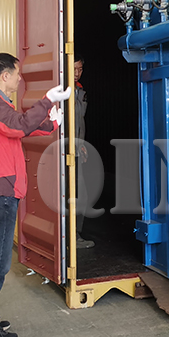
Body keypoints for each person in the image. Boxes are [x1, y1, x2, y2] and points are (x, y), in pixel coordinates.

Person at [0, 53, 71, 337]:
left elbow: (18, 126)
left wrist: (50, 124)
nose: (20, 78)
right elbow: (18, 126)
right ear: (5, 76)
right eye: (17, 74)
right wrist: (48, 100)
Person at [73, 54, 94, 249]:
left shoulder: (80, 92)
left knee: (81, 195)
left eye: (79, 69)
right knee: (68, 195)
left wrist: (81, 145)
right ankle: (67, 237)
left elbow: (80, 123)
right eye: (73, 69)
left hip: (77, 150)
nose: (77, 73)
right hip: (62, 153)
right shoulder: (60, 93)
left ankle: (74, 236)